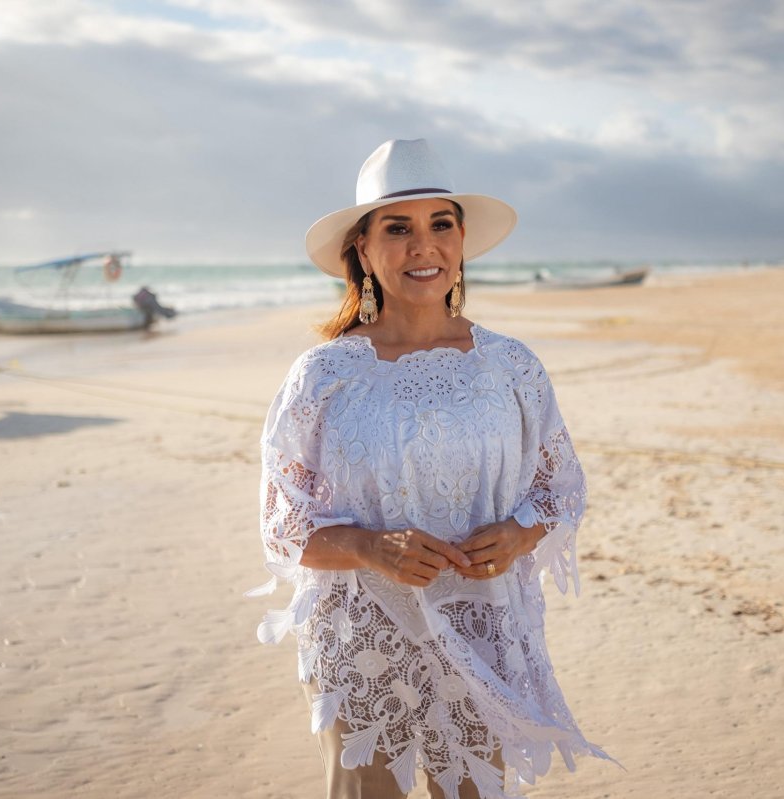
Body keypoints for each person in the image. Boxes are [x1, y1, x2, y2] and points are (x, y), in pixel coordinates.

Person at [255, 139, 611, 799]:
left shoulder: (512, 366)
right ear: (362, 249)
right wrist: (369, 545)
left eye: (439, 225)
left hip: (482, 634)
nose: (424, 246)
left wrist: (519, 533)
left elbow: (559, 490)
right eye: (398, 228)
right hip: (361, 645)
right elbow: (283, 523)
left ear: (462, 239)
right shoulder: (323, 374)